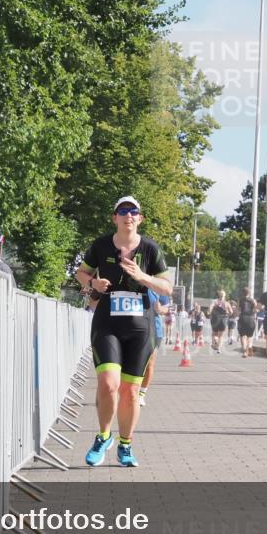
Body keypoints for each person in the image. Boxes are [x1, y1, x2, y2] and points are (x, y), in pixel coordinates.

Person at [75, 196, 173, 467]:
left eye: (133, 212)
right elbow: (81, 275)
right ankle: (103, 436)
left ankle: (125, 445)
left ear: (139, 219)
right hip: (107, 321)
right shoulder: (101, 245)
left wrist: (143, 277)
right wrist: (94, 283)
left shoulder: (151, 249)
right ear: (114, 218)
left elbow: (167, 288)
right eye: (122, 211)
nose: (128, 216)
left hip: (140, 325)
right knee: (108, 384)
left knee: (130, 391)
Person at [236, 287, 260, 358]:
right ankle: (249, 346)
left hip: (243, 318)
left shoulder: (240, 300)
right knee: (250, 336)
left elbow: (238, 309)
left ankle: (244, 352)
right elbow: (256, 309)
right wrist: (255, 311)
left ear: (242, 293)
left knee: (243, 336)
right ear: (249, 293)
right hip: (251, 319)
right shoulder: (253, 300)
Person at [208, 290, 229, 354]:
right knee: (220, 336)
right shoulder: (226, 303)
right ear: (224, 296)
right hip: (223, 319)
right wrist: (227, 313)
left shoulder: (214, 301)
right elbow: (231, 312)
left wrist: (209, 312)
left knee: (214, 333)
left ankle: (215, 341)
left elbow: (210, 308)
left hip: (215, 319)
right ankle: (219, 349)